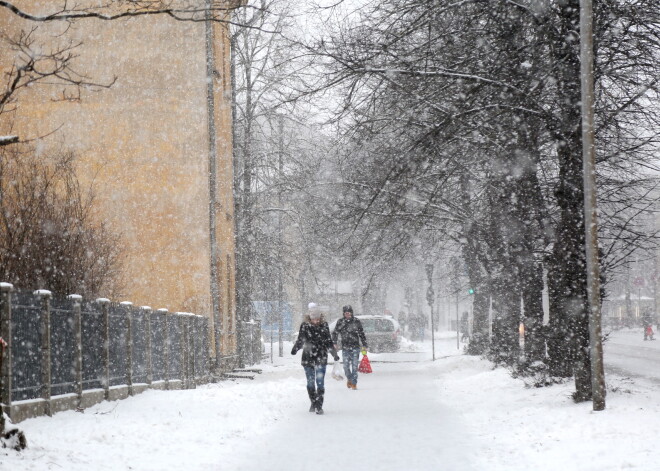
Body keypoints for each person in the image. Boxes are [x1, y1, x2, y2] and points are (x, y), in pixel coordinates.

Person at [291, 302, 339, 415]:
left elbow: (328, 341)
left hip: (321, 357)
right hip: (308, 358)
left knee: (320, 382)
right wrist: (295, 348)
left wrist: (334, 353)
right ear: (310, 318)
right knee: (311, 383)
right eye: (314, 319)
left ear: (320, 318)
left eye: (318, 319)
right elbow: (300, 339)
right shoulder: (304, 325)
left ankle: (319, 406)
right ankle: (313, 402)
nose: (316, 321)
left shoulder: (324, 325)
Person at [332, 305, 368, 390]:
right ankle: (349, 379)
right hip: (345, 348)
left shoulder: (356, 321)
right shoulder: (340, 322)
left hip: (355, 347)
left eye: (349, 313)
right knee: (346, 366)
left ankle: (354, 383)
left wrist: (364, 345)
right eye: (346, 313)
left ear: (351, 313)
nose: (347, 314)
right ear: (344, 313)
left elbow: (361, 334)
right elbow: (335, 333)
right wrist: (334, 342)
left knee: (355, 367)